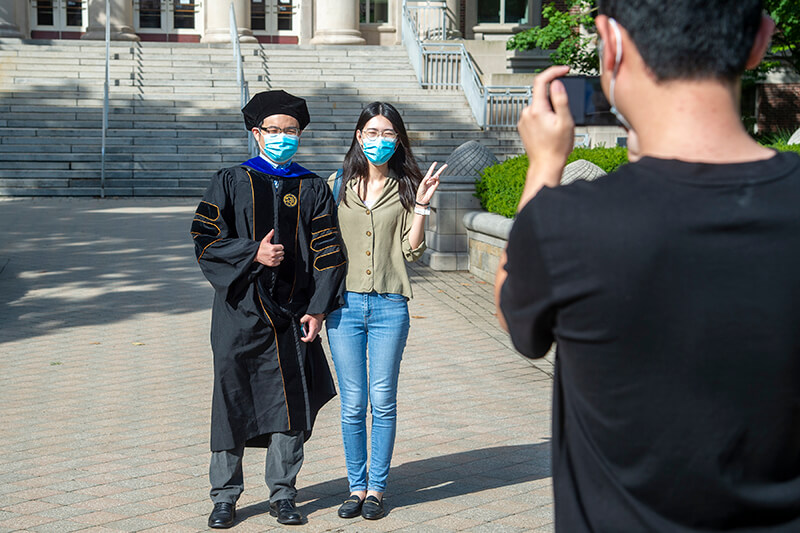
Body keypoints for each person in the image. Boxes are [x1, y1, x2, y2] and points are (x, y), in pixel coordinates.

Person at [496, 1, 800, 531]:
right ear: (761, 39)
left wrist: (544, 165)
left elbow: (516, 317)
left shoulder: (568, 222)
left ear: (610, 43)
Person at [191, 90, 346, 529]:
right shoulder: (229, 179)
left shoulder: (312, 186)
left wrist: (318, 309)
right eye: (274, 130)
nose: (282, 137)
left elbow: (329, 253)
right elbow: (204, 237)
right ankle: (225, 497)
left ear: (300, 134)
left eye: (291, 131)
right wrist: (251, 254)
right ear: (256, 133)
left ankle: (283, 493)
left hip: (293, 314)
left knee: (291, 404)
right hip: (239, 313)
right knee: (232, 400)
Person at [325, 101, 446, 520]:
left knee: (383, 399)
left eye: (387, 134)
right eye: (372, 133)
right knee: (353, 402)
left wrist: (423, 206)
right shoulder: (337, 183)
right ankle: (355, 487)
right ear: (359, 137)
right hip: (343, 306)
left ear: (398, 140)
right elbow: (321, 248)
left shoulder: (409, 184)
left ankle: (377, 488)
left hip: (390, 305)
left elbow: (412, 252)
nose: (379, 141)